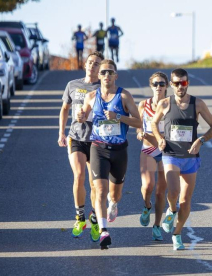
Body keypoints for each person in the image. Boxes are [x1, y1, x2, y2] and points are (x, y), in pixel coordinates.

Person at [151, 68, 212, 250]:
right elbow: (154, 123)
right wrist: (159, 139)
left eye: (184, 83)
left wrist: (201, 140)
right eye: (177, 83)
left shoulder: (198, 104)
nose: (181, 86)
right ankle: (171, 210)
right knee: (173, 192)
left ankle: (177, 233)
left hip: (190, 157)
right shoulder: (165, 104)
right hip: (171, 155)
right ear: (171, 85)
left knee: (186, 200)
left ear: (188, 83)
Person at [77, 59, 141, 249]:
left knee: (115, 194)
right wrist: (80, 117)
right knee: (100, 190)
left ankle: (113, 204)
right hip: (98, 147)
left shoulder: (124, 96)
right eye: (103, 72)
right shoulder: (91, 96)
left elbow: (139, 122)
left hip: (120, 150)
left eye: (110, 72)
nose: (106, 76)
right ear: (99, 75)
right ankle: (104, 231)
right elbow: (82, 114)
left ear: (115, 76)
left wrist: (118, 117)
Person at [58, 51, 103, 241]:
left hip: (96, 139)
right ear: (85, 64)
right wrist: (61, 132)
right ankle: (80, 217)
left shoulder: (103, 88)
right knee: (78, 175)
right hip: (76, 136)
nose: (92, 66)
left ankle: (94, 217)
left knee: (95, 184)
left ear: (101, 69)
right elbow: (65, 109)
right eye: (90, 62)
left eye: (97, 64)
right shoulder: (72, 85)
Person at [136, 72, 169, 241]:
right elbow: (137, 124)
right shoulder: (143, 104)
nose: (158, 87)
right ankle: (146, 206)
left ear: (166, 86)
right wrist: (139, 132)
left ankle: (157, 226)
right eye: (155, 84)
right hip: (149, 149)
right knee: (148, 186)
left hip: (165, 151)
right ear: (151, 86)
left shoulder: (171, 105)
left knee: (160, 192)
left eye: (162, 84)